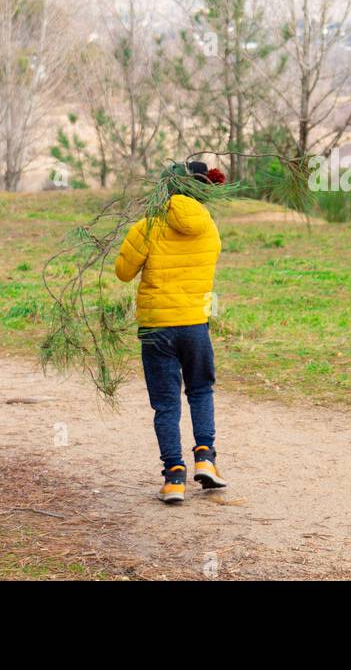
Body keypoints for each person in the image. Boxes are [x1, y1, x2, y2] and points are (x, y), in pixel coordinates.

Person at [115, 160, 228, 504]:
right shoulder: (209, 229)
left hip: (156, 328)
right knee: (200, 390)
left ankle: (174, 477)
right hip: (195, 323)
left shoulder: (148, 227)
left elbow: (123, 272)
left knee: (166, 404)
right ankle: (206, 458)